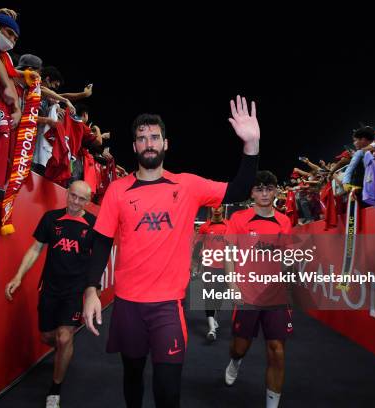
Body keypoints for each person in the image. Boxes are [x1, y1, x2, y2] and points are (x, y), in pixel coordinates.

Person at [83, 95, 260, 407]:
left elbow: (240, 189)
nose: (148, 143)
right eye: (142, 138)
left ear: (166, 143)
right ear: (135, 146)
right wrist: (90, 290)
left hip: (167, 308)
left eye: (154, 137)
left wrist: (252, 145)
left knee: (168, 393)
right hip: (128, 306)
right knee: (133, 379)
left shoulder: (187, 185)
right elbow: (101, 241)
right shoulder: (117, 190)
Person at [5, 181, 95, 408]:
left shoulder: (94, 224)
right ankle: (63, 352)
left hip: (74, 291)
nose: (75, 202)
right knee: (48, 337)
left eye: (81, 199)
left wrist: (92, 288)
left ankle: (55, 390)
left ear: (88, 201)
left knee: (65, 337)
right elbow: (36, 249)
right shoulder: (50, 218)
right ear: (67, 193)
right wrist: (18, 276)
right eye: (73, 196)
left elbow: (98, 259)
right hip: (50, 288)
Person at [223, 170, 292, 408]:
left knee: (277, 351)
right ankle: (235, 362)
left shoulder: (285, 221)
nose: (264, 193)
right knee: (240, 348)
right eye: (259, 189)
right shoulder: (238, 219)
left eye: (269, 188)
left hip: (276, 297)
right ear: (252, 192)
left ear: (275, 191)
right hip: (247, 295)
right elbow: (229, 253)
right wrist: (232, 284)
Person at [197, 205, 228, 341]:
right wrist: (195, 265)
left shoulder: (229, 226)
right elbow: (198, 245)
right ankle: (211, 329)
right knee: (209, 294)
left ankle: (214, 318)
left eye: (219, 207)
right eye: (214, 207)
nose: (216, 209)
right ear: (210, 209)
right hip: (208, 265)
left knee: (219, 296)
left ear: (223, 209)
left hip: (224, 267)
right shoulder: (204, 227)